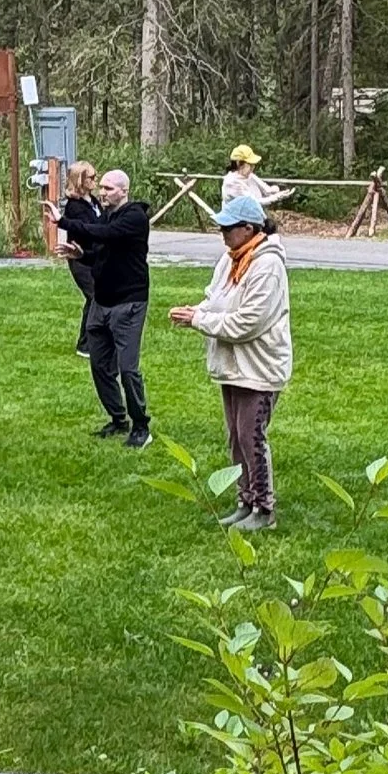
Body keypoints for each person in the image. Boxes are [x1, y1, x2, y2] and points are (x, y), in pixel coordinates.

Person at [170, 195, 290, 532]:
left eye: (228, 228)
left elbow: (248, 322)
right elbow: (216, 299)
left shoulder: (268, 265)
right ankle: (245, 501)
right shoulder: (231, 259)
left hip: (259, 368)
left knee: (252, 438)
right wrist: (195, 311)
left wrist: (199, 320)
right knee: (236, 438)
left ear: (248, 229)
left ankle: (264, 510)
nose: (222, 233)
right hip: (233, 365)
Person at [45, 170, 154, 448]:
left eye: (108, 188)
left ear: (124, 191)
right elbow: (105, 252)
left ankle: (141, 426)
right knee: (99, 366)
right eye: (101, 188)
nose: (102, 192)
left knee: (128, 369)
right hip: (101, 302)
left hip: (129, 302)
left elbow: (107, 234)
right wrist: (83, 255)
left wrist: (63, 221)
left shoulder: (135, 217)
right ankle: (118, 419)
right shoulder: (107, 215)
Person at [60, 160, 102, 359]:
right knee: (93, 296)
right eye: (91, 177)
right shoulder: (74, 207)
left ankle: (95, 340)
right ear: (80, 180)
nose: (95, 180)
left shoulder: (93, 201)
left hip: (95, 257)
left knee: (97, 297)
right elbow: (87, 230)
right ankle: (85, 344)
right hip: (80, 259)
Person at [220, 145, 293, 209]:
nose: (253, 168)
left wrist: (278, 190)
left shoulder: (250, 176)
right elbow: (253, 202)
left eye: (253, 165)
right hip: (237, 219)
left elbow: (267, 190)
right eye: (250, 165)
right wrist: (276, 197)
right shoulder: (231, 182)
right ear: (238, 163)